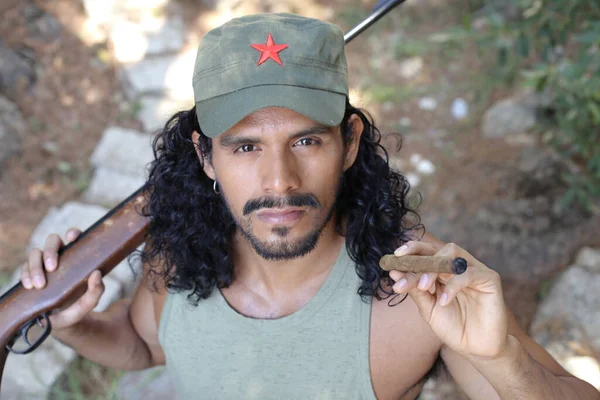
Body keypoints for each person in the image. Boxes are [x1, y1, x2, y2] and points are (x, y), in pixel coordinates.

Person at [20, 13, 599, 400]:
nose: (279, 180)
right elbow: (146, 344)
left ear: (348, 142)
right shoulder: (177, 258)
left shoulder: (412, 300)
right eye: (245, 146)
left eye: (306, 140)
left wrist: (499, 359)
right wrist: (73, 325)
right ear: (205, 156)